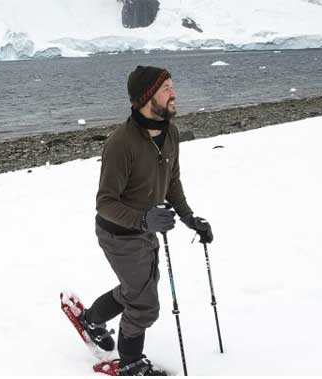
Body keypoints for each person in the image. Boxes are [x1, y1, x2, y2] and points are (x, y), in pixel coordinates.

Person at [79, 66, 214, 376]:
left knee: (135, 290)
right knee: (144, 304)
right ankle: (130, 363)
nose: (174, 93)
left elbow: (172, 181)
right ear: (146, 97)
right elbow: (105, 203)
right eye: (166, 88)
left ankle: (92, 319)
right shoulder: (121, 143)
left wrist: (189, 217)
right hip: (119, 234)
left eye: (172, 85)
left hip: (146, 228)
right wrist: (144, 220)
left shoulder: (171, 133)